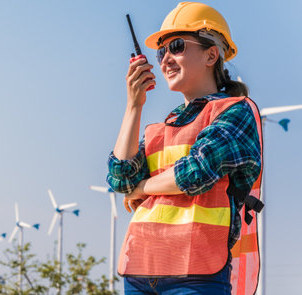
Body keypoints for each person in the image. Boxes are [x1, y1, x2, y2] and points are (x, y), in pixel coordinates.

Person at [107, 2, 263, 295]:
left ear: (211, 54)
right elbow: (120, 178)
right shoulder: (160, 128)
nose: (165, 58)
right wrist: (133, 106)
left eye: (177, 46)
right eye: (161, 51)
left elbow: (196, 171)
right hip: (140, 269)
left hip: (196, 274)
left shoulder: (235, 112)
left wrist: (143, 188)